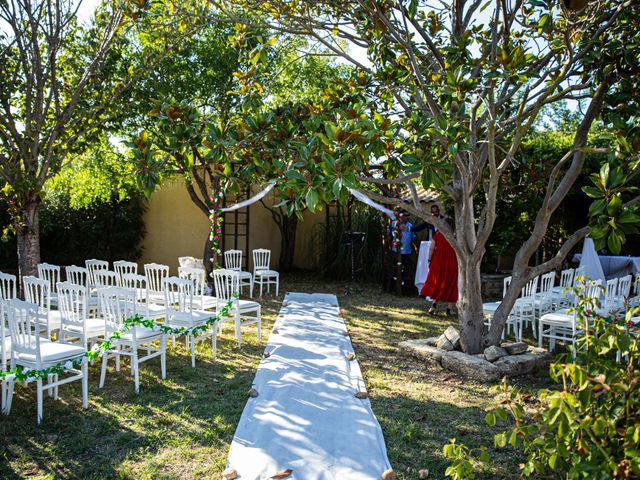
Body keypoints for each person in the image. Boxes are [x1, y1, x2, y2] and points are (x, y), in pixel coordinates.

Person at [420, 217, 458, 314]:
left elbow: (431, 249)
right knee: (451, 283)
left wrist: (429, 259)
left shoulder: (437, 234)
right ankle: (449, 309)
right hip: (451, 262)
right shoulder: (455, 236)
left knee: (437, 282)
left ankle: (433, 305)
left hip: (438, 261)